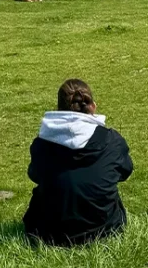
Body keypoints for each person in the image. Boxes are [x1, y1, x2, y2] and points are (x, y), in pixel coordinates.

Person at [24, 79, 134, 246]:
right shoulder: (112, 140)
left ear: (59, 110)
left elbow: (35, 174)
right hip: (104, 230)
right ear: (93, 105)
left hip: (48, 233)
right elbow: (125, 171)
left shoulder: (42, 143)